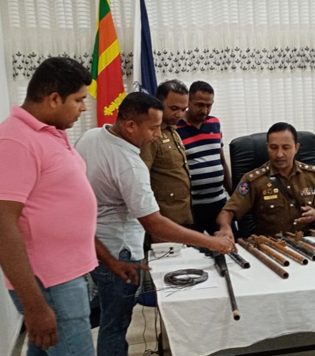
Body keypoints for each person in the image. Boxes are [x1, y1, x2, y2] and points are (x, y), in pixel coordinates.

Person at [0, 57, 133, 356]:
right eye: (78, 100)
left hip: (63, 276)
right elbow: (0, 225)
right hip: (49, 283)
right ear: (54, 99)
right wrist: (35, 306)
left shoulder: (50, 133)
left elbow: (62, 209)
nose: (84, 107)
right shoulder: (14, 142)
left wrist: (107, 259)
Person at [75, 92, 235, 356]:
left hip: (93, 242)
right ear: (130, 125)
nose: (158, 135)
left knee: (108, 316)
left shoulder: (92, 136)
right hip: (119, 251)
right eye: (153, 128)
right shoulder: (130, 165)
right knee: (116, 325)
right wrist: (212, 241)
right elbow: (154, 223)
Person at [216, 122, 315, 239]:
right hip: (271, 247)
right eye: (273, 147)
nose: (279, 154)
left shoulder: (312, 176)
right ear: (267, 147)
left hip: (308, 243)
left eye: (286, 147)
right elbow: (227, 212)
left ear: (296, 148)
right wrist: (225, 228)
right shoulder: (254, 180)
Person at [176, 81, 234, 235]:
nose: (205, 110)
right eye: (200, 105)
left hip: (219, 202)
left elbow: (221, 161)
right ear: (188, 101)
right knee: (194, 251)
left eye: (209, 105)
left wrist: (232, 194)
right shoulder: (175, 128)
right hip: (192, 207)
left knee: (231, 245)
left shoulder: (214, 123)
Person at [139, 80, 192, 227]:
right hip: (163, 222)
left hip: (182, 216)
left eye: (184, 109)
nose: (179, 115)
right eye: (174, 108)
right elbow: (141, 182)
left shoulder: (172, 130)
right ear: (158, 103)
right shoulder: (151, 134)